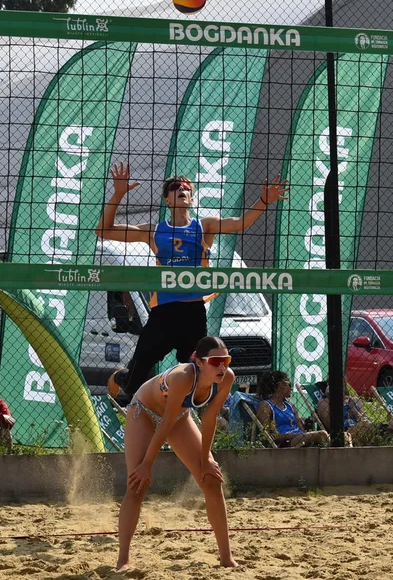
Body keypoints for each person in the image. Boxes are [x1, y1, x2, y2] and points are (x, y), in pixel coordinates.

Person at [99, 162, 290, 401]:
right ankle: (120, 378)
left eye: (186, 188)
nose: (181, 189)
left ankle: (178, 408)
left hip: (193, 312)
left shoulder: (204, 226)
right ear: (167, 201)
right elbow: (104, 231)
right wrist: (118, 194)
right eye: (174, 188)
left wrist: (263, 201)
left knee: (199, 378)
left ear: (191, 198)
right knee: (133, 382)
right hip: (163, 314)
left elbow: (240, 223)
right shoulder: (154, 231)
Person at [117, 336, 239, 571]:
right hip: (143, 410)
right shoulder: (184, 378)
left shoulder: (227, 378)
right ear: (200, 362)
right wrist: (147, 464)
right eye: (216, 361)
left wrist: (205, 461)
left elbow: (210, 418)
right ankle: (123, 560)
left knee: (212, 480)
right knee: (137, 483)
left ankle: (226, 558)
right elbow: (165, 424)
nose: (222, 366)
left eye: (226, 360)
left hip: (178, 416)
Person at [315, 377, 393, 445]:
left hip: (366, 428)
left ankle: (390, 435)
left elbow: (362, 418)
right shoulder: (324, 402)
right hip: (347, 434)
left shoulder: (355, 400)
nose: (341, 387)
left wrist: (353, 408)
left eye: (342, 384)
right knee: (364, 426)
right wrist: (334, 400)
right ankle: (389, 436)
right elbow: (329, 424)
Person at [254, 371, 329, 448]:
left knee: (322, 437)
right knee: (322, 435)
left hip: (298, 438)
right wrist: (290, 435)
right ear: (281, 385)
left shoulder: (290, 406)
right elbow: (267, 435)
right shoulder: (266, 406)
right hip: (284, 442)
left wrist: (306, 426)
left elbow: (301, 429)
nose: (291, 388)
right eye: (289, 384)